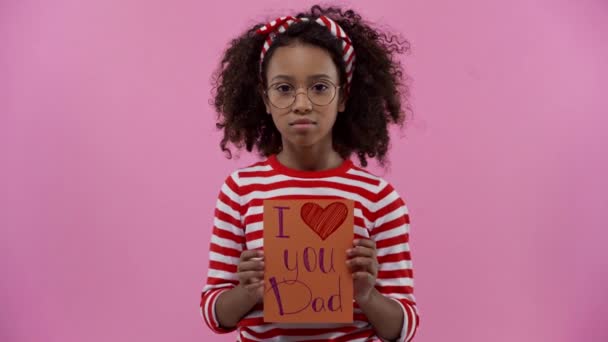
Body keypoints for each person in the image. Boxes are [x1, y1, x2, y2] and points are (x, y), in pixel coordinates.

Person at [200, 4, 419, 341]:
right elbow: (214, 313)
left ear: (343, 96)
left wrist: (366, 294)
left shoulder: (380, 200)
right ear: (266, 99)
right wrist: (248, 291)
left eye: (319, 87)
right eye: (284, 89)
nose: (302, 104)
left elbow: (404, 328)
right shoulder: (239, 191)